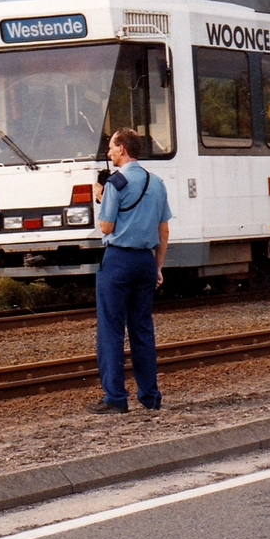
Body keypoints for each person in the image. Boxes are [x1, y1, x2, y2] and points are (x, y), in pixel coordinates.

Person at [87, 128, 172, 415]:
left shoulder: (116, 182)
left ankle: (115, 398)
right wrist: (157, 267)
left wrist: (101, 197)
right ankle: (150, 396)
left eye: (111, 148)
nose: (109, 153)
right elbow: (164, 230)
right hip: (146, 262)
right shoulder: (157, 183)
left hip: (118, 261)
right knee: (142, 329)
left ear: (122, 149)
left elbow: (106, 226)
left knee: (111, 329)